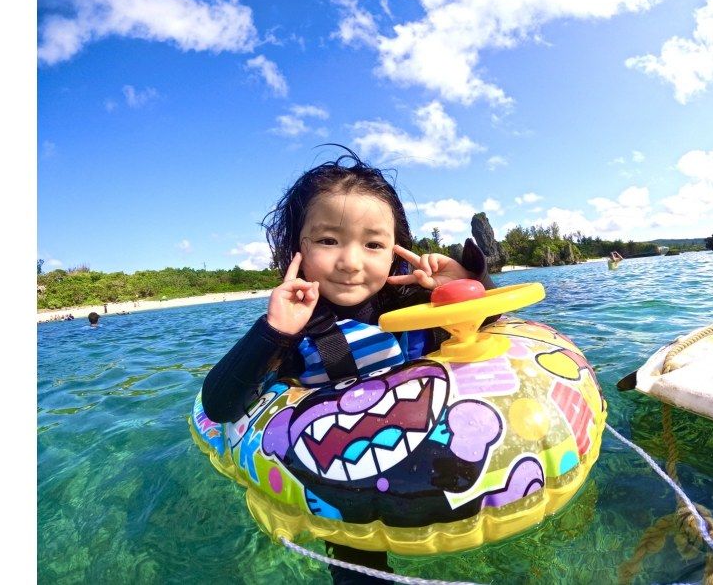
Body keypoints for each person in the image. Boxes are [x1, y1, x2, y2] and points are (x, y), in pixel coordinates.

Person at [201, 146, 497, 584]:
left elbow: (487, 330)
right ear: (295, 247)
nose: (351, 262)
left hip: (431, 460)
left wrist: (464, 289)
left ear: (396, 250)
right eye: (327, 240)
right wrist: (273, 332)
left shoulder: (417, 307)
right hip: (348, 478)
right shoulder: (297, 329)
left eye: (373, 244)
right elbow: (221, 405)